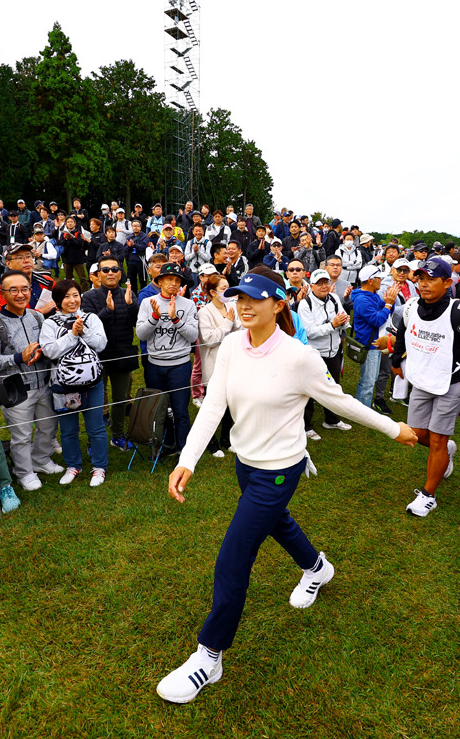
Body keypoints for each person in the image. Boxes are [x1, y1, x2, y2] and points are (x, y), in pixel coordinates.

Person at [157, 266, 418, 704]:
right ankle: (317, 568)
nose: (243, 305)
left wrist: (394, 428)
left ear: (279, 304)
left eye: (255, 299)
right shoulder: (234, 345)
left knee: (233, 556)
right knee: (278, 524)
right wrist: (188, 459)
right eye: (239, 296)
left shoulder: (299, 356)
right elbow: (214, 404)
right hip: (246, 463)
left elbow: (341, 402)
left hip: (280, 469)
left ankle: (209, 656)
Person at [390, 258, 460, 517]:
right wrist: (396, 359)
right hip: (421, 381)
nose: (424, 284)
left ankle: (428, 496)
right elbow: (402, 333)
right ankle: (446, 451)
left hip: (451, 383)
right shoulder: (412, 306)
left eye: (431, 279)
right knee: (414, 433)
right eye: (421, 278)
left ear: (447, 283)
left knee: (437, 438)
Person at [0, 270, 63, 492]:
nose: (20, 294)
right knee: (21, 435)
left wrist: (43, 352)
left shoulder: (37, 316)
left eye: (25, 289)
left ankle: (41, 459)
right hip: (16, 390)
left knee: (49, 427)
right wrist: (19, 357)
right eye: (14, 290)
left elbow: (47, 344)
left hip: (44, 384)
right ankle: (24, 472)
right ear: (2, 293)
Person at [40, 278, 109, 486]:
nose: (72, 300)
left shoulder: (92, 318)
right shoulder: (50, 323)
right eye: (66, 296)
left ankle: (99, 467)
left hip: (92, 382)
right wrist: (72, 334)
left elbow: (101, 344)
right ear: (58, 300)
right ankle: (73, 465)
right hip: (63, 386)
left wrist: (84, 331)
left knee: (95, 426)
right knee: (68, 429)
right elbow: (50, 351)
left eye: (76, 295)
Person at [135, 263, 199, 457]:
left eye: (178, 280)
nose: (174, 283)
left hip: (179, 364)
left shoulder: (188, 304)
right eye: (169, 279)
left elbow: (193, 335)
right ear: (160, 281)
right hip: (155, 364)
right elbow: (141, 334)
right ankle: (164, 444)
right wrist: (154, 317)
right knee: (159, 409)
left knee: (180, 410)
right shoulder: (148, 303)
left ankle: (183, 449)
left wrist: (175, 319)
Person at [81, 259, 139, 451]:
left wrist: (131, 305)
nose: (111, 272)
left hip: (122, 352)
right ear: (99, 274)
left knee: (121, 398)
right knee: (96, 401)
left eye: (115, 269)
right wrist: (107, 311)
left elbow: (136, 324)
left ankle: (117, 435)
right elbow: (88, 326)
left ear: (120, 274)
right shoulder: (89, 297)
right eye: (105, 269)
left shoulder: (128, 294)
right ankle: (93, 440)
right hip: (97, 355)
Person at [299, 268, 353, 433]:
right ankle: (306, 426)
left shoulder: (335, 298)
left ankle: (332, 419)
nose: (324, 286)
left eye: (326, 282)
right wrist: (333, 325)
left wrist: (344, 322)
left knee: (333, 387)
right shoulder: (305, 304)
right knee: (309, 390)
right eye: (319, 283)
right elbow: (309, 332)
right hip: (315, 354)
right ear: (312, 286)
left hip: (334, 351)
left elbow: (343, 320)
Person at [197, 276, 238, 455]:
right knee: (213, 407)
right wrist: (228, 323)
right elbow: (209, 339)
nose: (227, 291)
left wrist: (234, 324)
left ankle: (226, 438)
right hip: (214, 365)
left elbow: (240, 331)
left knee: (231, 405)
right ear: (212, 292)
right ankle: (210, 442)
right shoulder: (204, 312)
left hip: (233, 363)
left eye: (228, 287)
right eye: (223, 288)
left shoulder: (231, 307)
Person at [350, 266, 398, 409]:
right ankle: (362, 412)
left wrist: (391, 301)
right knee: (368, 381)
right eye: (379, 278)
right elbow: (377, 320)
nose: (381, 281)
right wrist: (389, 303)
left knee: (372, 378)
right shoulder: (362, 300)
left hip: (375, 344)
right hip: (369, 345)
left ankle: (364, 406)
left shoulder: (372, 295)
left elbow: (386, 310)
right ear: (371, 281)